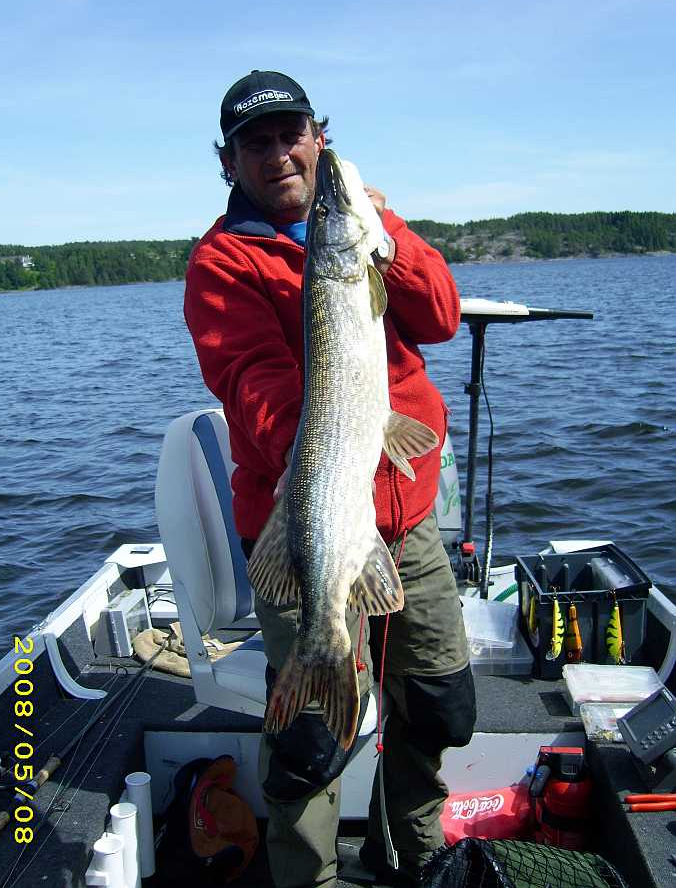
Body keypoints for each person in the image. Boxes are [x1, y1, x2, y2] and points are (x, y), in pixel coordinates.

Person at [184, 69, 476, 888]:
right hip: (307, 519)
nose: (278, 154)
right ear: (228, 162)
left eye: (292, 134)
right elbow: (253, 382)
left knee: (440, 700)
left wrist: (384, 231)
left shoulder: (363, 231)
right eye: (255, 143)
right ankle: (308, 876)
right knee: (310, 740)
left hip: (407, 517)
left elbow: (441, 315)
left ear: (319, 139)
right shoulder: (221, 262)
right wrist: (333, 456)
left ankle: (412, 851)